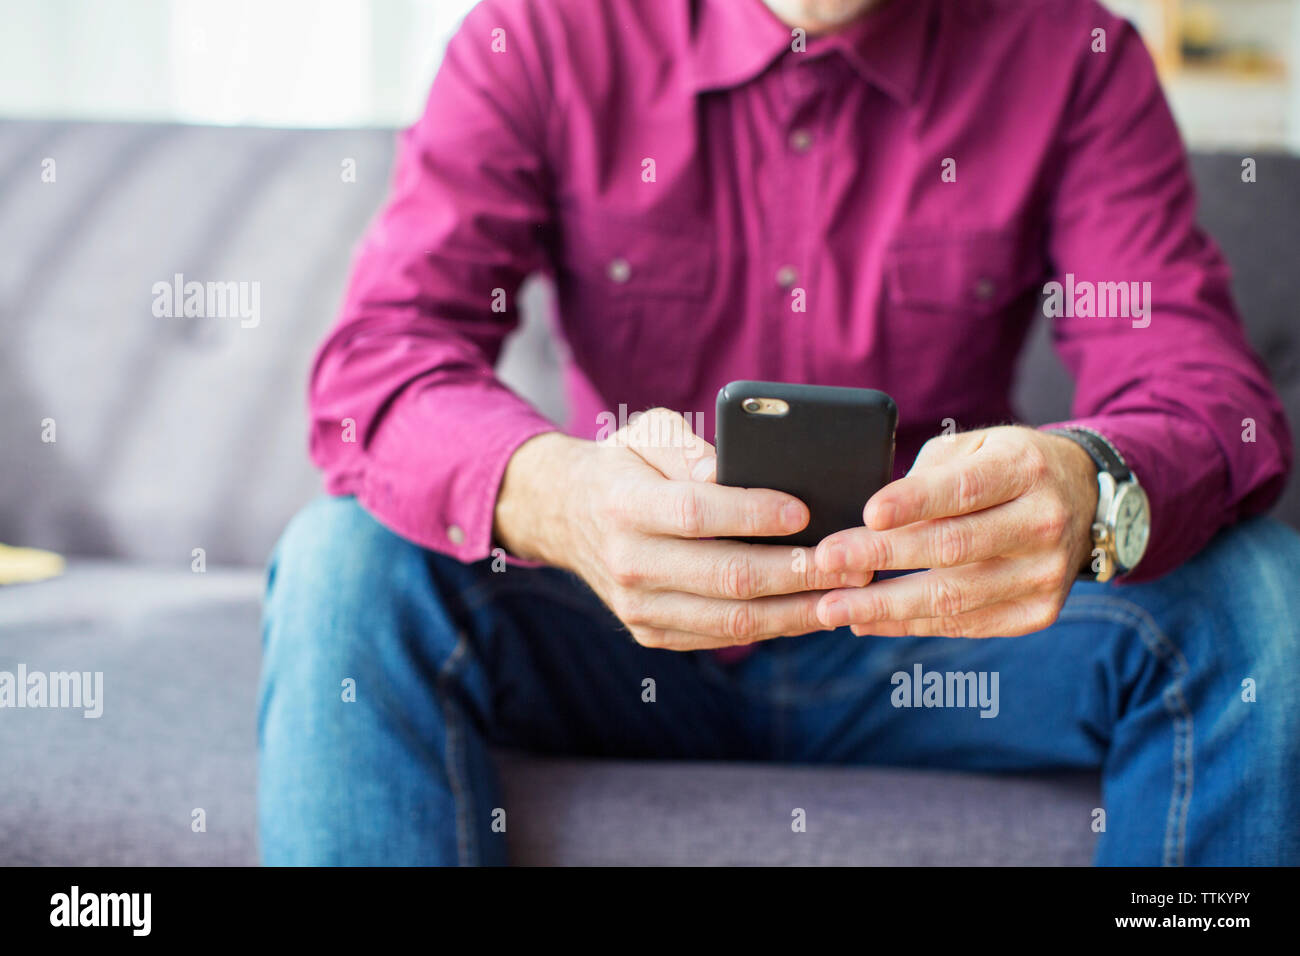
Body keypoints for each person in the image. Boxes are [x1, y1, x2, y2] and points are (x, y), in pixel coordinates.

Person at [259, 0, 1300, 865]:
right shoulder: (540, 34)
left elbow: (1204, 388)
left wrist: (1085, 484)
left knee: (1256, 588)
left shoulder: (1067, 56)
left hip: (935, 634)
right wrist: (562, 497)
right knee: (344, 557)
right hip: (618, 627)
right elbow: (381, 360)